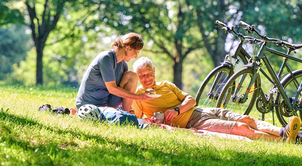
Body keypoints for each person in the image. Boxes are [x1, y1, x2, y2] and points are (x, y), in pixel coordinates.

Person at [132, 57, 301, 143]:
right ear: (138, 77)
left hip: (201, 111)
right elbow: (139, 120)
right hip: (194, 122)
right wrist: (152, 119)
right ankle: (285, 139)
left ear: (154, 70)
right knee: (241, 128)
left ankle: (282, 131)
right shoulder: (138, 96)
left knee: (246, 119)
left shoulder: (166, 85)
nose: (147, 78)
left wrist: (176, 110)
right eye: (142, 76)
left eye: (149, 73)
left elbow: (191, 100)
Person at [75, 33, 154, 112]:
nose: (136, 56)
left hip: (106, 104)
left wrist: (129, 107)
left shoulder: (123, 65)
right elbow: (112, 89)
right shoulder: (105, 58)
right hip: (88, 105)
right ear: (128, 48)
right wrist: (138, 97)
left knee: (132, 76)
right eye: (136, 52)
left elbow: (122, 92)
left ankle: (126, 114)